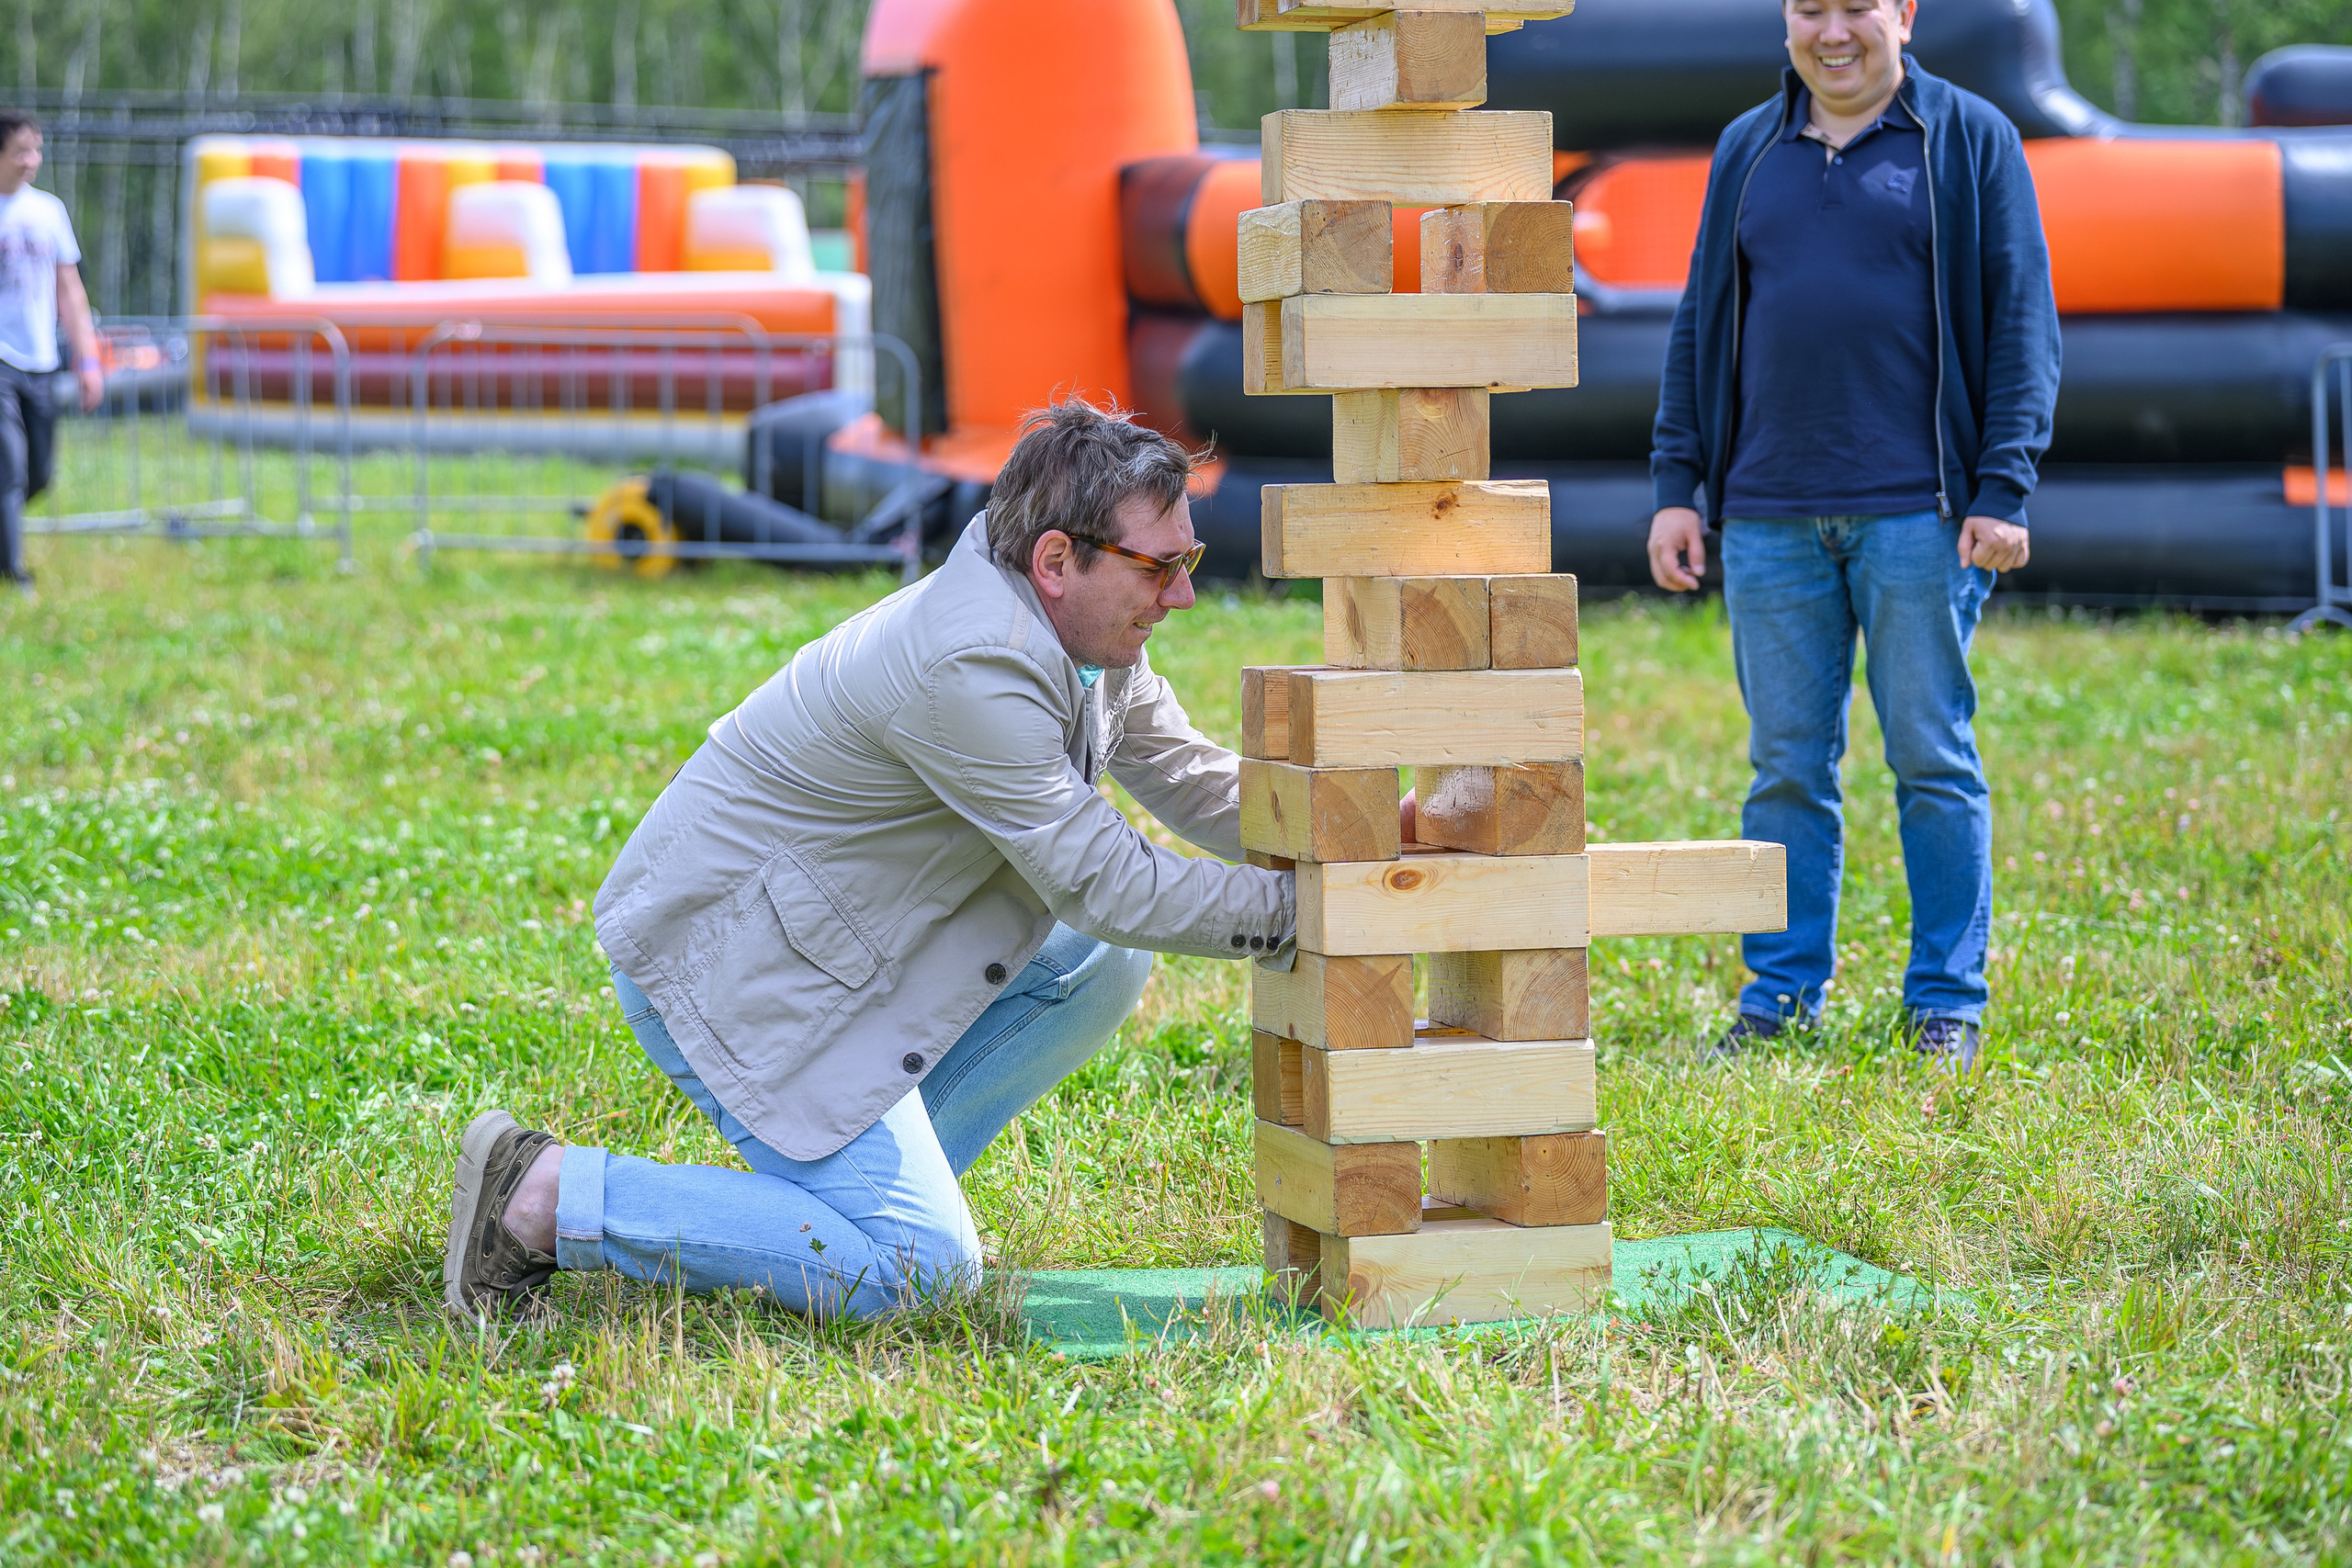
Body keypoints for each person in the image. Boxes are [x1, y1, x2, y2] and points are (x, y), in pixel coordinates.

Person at [443, 400, 1346, 1319]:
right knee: (918, 1278)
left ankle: (844, 1209)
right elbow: (1102, 878)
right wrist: (1310, 913)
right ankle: (546, 1197)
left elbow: (1184, 775)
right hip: (728, 965)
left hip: (824, 943)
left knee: (1097, 960)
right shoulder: (972, 664)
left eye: (1185, 562)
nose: (1184, 594)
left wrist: (1358, 834)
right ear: (1055, 561)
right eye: (1160, 567)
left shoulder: (1077, 635)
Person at [1645, 0, 2061, 1069]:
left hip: (1919, 514)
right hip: (1769, 510)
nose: (1833, 31)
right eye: (1807, 8)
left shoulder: (1970, 139)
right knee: (1785, 768)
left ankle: (1945, 1004)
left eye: (1856, 8)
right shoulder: (1748, 147)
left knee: (1931, 759)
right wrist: (1678, 484)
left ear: (1905, 15)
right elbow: (1701, 320)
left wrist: (2002, 490)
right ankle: (1779, 1000)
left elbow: (2022, 318)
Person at [0, 111, 102, 599]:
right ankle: (14, 573)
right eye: (22, 150)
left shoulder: (49, 211)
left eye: (36, 150)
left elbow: (70, 291)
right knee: (10, 467)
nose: (32, 160)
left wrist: (89, 359)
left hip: (41, 358)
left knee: (39, 473)